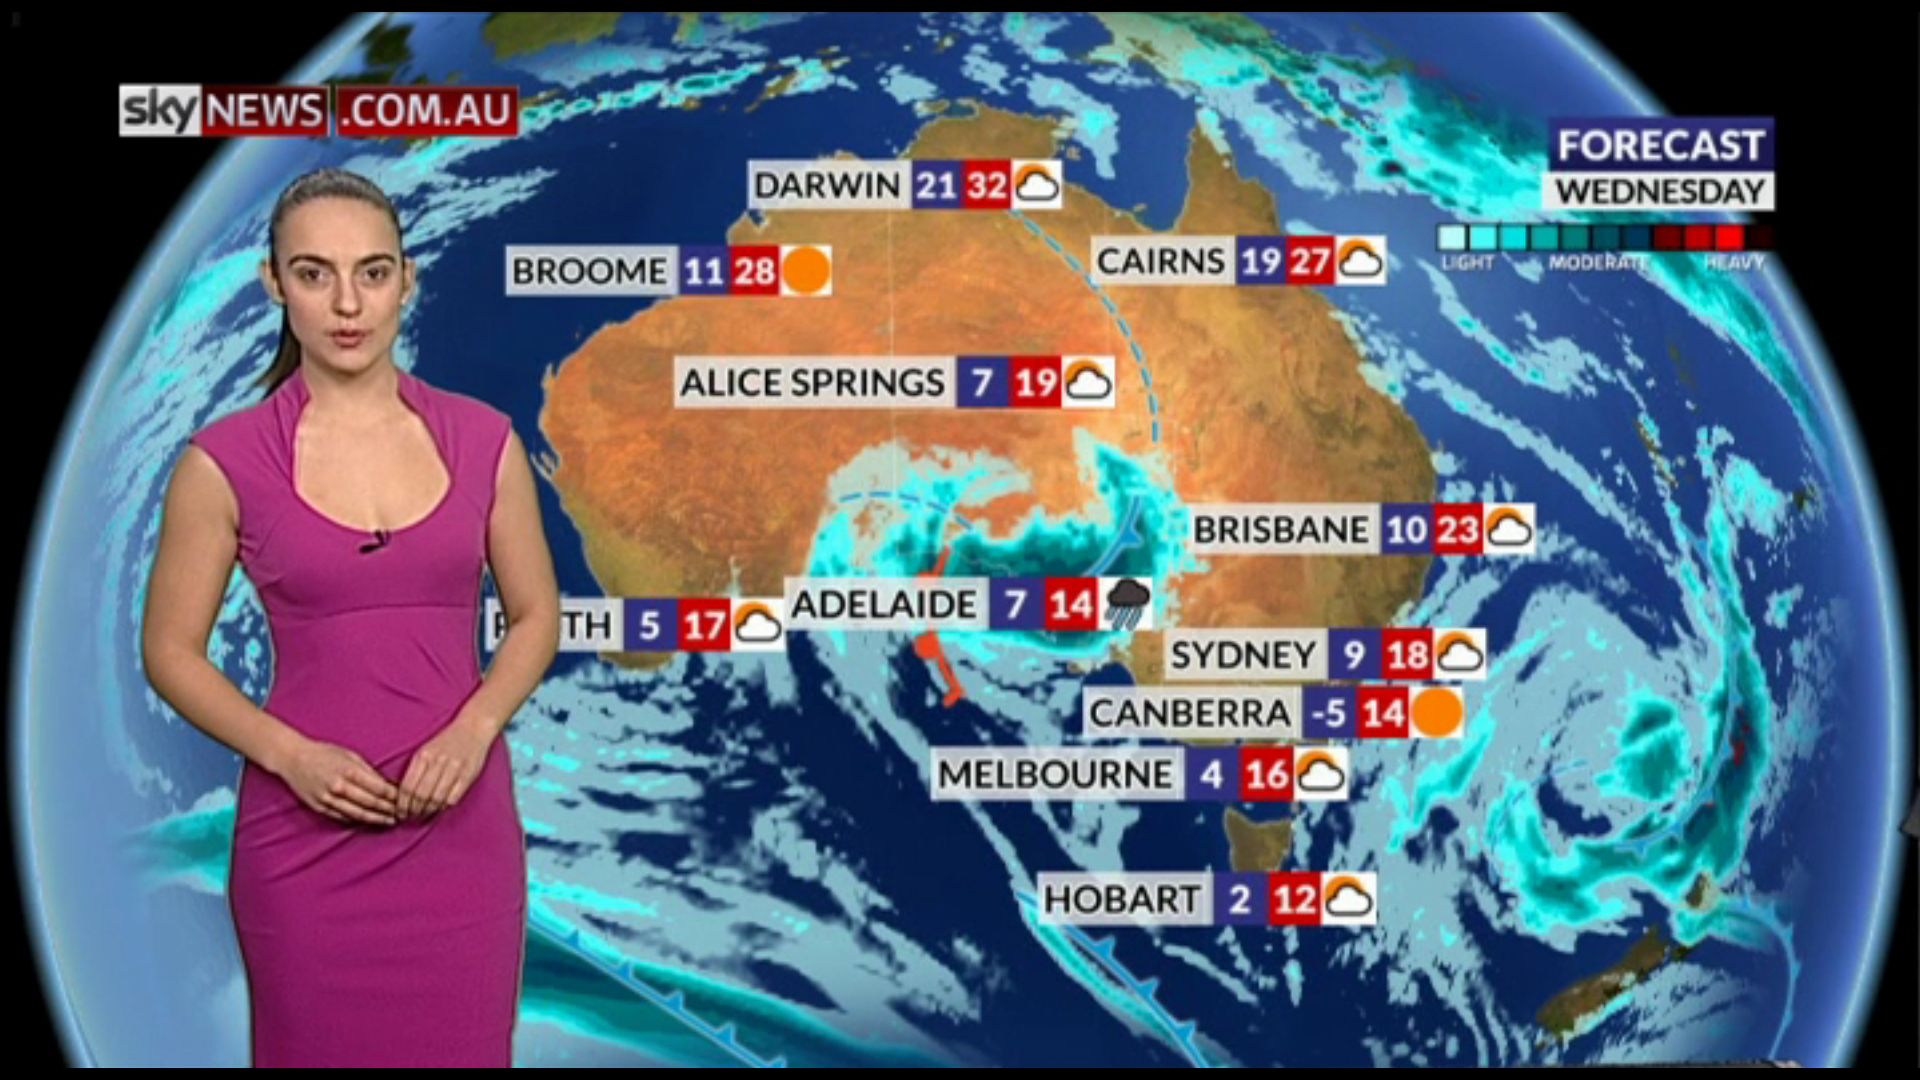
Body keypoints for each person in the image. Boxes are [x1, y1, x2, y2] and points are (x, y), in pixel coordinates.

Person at [142, 167, 561, 1066]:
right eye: (314, 273)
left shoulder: (485, 440)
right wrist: (291, 756)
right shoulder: (221, 463)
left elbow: (536, 616)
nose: (347, 304)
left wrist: (474, 730)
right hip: (303, 851)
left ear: (406, 280)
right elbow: (171, 652)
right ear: (274, 283)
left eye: (372, 273)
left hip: (460, 844)